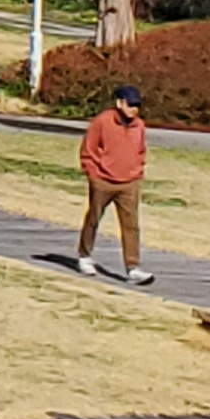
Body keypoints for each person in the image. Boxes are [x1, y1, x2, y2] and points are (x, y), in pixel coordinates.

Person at [76, 84, 156, 285]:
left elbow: (141, 151)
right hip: (103, 180)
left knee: (131, 226)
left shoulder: (139, 126)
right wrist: (93, 175)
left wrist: (138, 172)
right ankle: (84, 255)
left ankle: (133, 268)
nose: (134, 110)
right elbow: (88, 150)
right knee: (94, 218)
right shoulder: (102, 122)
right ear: (120, 103)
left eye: (137, 106)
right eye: (130, 105)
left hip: (129, 183)